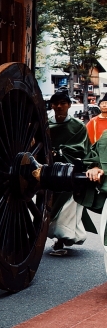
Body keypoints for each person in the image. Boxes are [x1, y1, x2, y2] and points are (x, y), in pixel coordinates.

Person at [48, 88, 105, 255]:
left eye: (63, 103)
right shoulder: (44, 124)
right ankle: (58, 237)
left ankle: (62, 239)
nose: (59, 106)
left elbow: (83, 149)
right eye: (56, 103)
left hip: (71, 171)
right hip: (48, 171)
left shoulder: (78, 126)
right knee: (51, 206)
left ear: (69, 105)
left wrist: (61, 152)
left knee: (68, 207)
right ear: (51, 105)